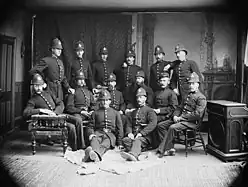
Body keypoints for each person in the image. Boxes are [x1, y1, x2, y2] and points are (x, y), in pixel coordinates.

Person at [155, 72, 206, 158]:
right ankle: (169, 148)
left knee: (172, 127)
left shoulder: (201, 98)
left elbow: (197, 115)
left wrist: (181, 118)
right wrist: (175, 115)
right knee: (160, 126)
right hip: (181, 119)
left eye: (193, 84)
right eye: (190, 84)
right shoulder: (187, 95)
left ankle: (162, 150)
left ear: (198, 84)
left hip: (192, 123)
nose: (191, 86)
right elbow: (179, 107)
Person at [23, 73, 77, 150]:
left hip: (58, 116)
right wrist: (41, 110)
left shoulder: (49, 93)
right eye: (36, 86)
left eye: (39, 85)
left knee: (77, 120)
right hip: (49, 123)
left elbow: (60, 103)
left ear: (43, 85)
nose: (38, 88)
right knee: (71, 127)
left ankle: (79, 147)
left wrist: (55, 112)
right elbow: (25, 112)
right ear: (33, 86)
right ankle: (74, 149)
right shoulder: (32, 100)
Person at [84, 89, 124, 162]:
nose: (105, 102)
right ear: (100, 101)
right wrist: (91, 134)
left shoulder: (115, 113)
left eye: (106, 100)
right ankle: (95, 154)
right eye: (103, 100)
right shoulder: (95, 113)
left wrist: (120, 143)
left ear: (110, 101)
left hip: (110, 135)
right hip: (98, 133)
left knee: (105, 144)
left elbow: (120, 128)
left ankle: (93, 154)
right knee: (94, 140)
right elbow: (90, 126)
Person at [120, 87, 157, 161]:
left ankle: (133, 155)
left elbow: (153, 123)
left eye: (141, 97)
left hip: (145, 137)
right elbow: (129, 124)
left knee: (138, 141)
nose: (138, 99)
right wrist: (130, 133)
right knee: (125, 140)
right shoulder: (134, 111)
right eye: (137, 97)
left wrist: (142, 133)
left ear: (145, 98)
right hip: (135, 135)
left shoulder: (149, 111)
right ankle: (140, 151)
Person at [65, 70, 97, 149]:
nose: (82, 81)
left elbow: (94, 104)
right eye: (80, 80)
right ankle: (81, 145)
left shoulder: (88, 92)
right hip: (77, 113)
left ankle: (94, 143)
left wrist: (92, 110)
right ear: (76, 81)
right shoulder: (73, 92)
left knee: (97, 117)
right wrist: (81, 111)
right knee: (78, 120)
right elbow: (69, 108)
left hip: (88, 113)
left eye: (83, 79)